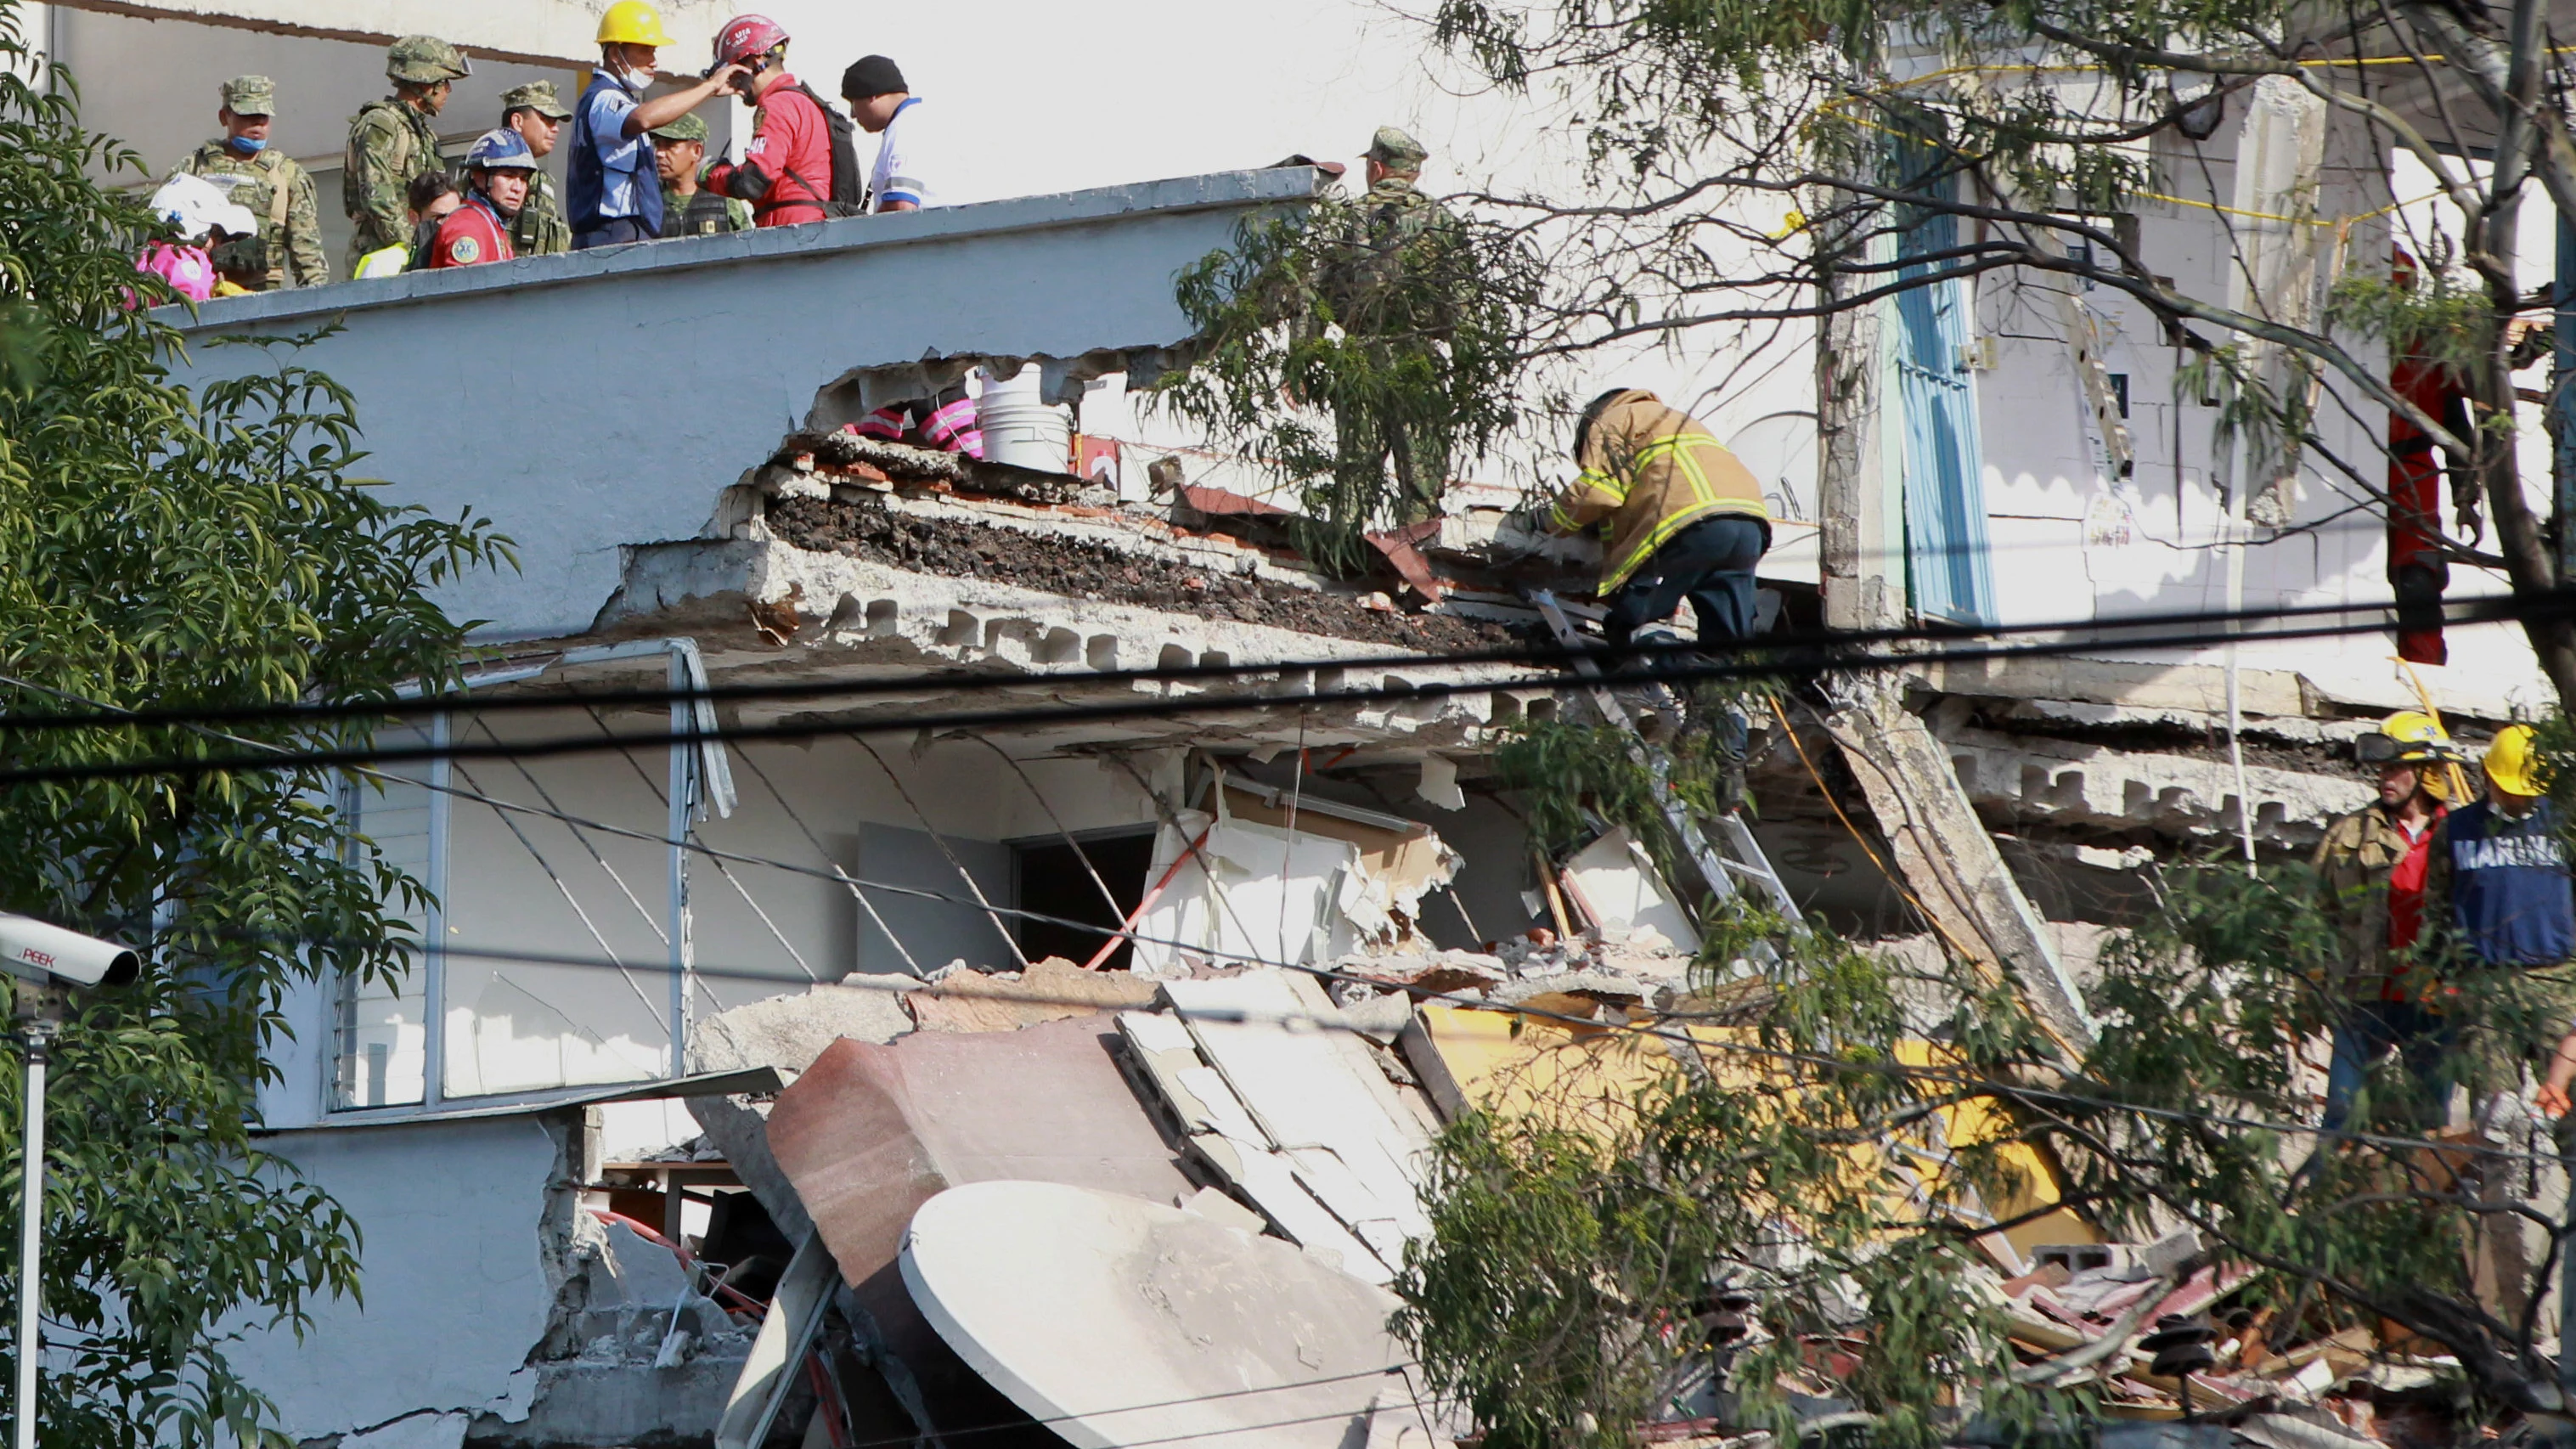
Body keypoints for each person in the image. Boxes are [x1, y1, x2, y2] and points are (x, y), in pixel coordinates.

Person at [2313, 711, 2466, 1130]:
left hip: (2432, 1001)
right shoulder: (2350, 833)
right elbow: (2314, 914)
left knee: (2428, 1123)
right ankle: (2324, 1191)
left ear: (2426, 772)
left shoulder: (2461, 835)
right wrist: (2308, 988)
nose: (2386, 778)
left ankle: (2422, 1197)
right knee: (2341, 1118)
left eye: (2397, 768)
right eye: (2383, 769)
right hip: (2365, 995)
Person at [1545, 388, 1773, 658]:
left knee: (1635, 623)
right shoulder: (1678, 420)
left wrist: (1554, 523)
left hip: (1690, 524)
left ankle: (1664, 666)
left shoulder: (1613, 418)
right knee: (1726, 647)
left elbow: (1600, 491)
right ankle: (1713, 696)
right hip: (1749, 525)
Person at [2423, 724, 2576, 1112]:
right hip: (2486, 985)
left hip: (2557, 981)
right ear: (2489, 776)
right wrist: (2438, 973)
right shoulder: (2456, 831)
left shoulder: (2564, 825)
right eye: (2513, 791)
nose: (2522, 801)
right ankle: (2500, 1172)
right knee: (2496, 1114)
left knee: (2567, 1106)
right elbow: (2438, 905)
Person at [569, 1, 747, 248]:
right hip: (612, 233)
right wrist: (709, 87)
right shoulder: (604, 97)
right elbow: (643, 119)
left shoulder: (615, 97)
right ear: (614, 53)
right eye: (645, 50)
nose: (654, 61)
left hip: (624, 232)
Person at [173, 75, 329, 290]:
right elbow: (165, 234)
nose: (258, 123)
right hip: (203, 288)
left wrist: (317, 300)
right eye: (248, 115)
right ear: (224, 117)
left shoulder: (285, 173)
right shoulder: (195, 167)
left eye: (263, 116)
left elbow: (307, 250)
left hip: (264, 291)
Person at [343, 35, 469, 276]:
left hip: (415, 256)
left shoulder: (423, 134)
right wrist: (415, 246)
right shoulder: (380, 124)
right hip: (380, 257)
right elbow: (376, 198)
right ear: (424, 83)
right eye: (444, 82)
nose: (448, 90)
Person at [702, 14, 837, 228]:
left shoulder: (778, 105)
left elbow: (753, 181)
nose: (733, 82)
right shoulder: (802, 101)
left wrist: (710, 174)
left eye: (734, 72)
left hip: (792, 231)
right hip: (810, 226)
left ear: (755, 63)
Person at [132, 173, 258, 305]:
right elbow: (199, 298)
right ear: (195, 227)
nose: (218, 243)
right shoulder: (174, 257)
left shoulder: (156, 254)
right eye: (216, 234)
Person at [424, 129, 535, 270]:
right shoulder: (468, 226)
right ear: (478, 177)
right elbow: (467, 289)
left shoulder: (491, 223)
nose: (518, 188)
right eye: (508, 176)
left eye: (524, 179)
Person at [842, 55, 928, 212]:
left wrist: (865, 234)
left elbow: (901, 206)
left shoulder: (905, 127)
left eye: (853, 103)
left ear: (871, 95)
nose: (852, 115)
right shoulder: (920, 120)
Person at [499, 81, 574, 258]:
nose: (555, 129)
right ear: (517, 121)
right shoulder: (491, 172)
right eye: (546, 120)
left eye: (555, 122)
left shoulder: (540, 178)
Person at [651, 112, 752, 236]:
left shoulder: (725, 201)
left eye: (669, 145)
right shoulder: (649, 202)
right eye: (657, 145)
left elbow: (748, 247)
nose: (659, 154)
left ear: (696, 151)